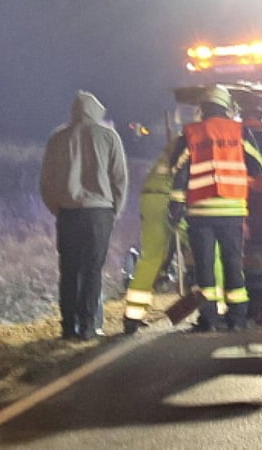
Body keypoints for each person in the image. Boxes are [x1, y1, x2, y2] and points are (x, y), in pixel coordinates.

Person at [169, 84, 262, 332]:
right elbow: (258, 165)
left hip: (200, 212)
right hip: (232, 211)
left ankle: (209, 319)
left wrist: (176, 204)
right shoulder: (239, 131)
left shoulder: (191, 133)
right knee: (233, 263)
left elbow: (177, 170)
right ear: (227, 107)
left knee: (204, 267)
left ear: (202, 108)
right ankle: (237, 319)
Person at [40, 91, 129, 340]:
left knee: (68, 272)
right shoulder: (109, 137)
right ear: (97, 111)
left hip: (67, 213)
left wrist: (56, 207)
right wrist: (115, 210)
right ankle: (88, 327)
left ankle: (68, 327)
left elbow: (46, 181)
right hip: (100, 213)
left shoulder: (57, 139)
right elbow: (119, 178)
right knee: (92, 271)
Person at [123, 139, 178, 334]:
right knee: (207, 252)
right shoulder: (194, 141)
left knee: (150, 259)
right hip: (169, 199)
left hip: (152, 198)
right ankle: (215, 310)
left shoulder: (178, 142)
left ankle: (133, 316)